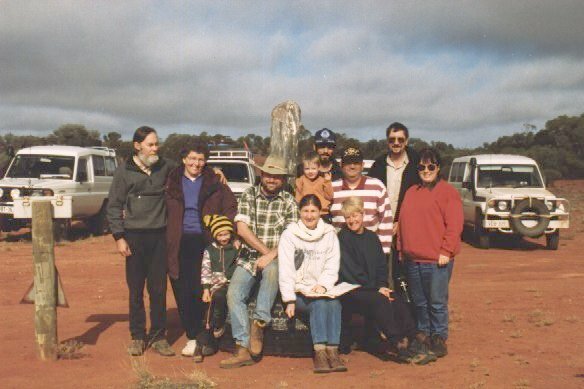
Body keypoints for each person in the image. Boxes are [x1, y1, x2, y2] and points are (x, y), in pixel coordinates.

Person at [221, 155, 299, 368]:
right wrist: (264, 252)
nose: (272, 180)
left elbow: (290, 236)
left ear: (283, 179)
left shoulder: (289, 201)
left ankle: (259, 322)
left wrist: (271, 255)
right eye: (268, 175)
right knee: (234, 294)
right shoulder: (249, 195)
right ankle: (242, 346)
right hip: (250, 256)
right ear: (261, 175)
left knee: (273, 270)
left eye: (277, 176)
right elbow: (242, 229)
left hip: (277, 256)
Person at [107, 126, 176, 356]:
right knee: (136, 289)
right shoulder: (124, 171)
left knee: (158, 289)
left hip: (159, 236)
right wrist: (119, 237)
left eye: (157, 143)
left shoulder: (165, 166)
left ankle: (158, 336)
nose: (156, 148)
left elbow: (191, 170)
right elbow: (114, 206)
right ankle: (137, 336)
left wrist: (215, 171)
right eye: (151, 144)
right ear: (137, 146)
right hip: (134, 237)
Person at [337, 197, 432, 364]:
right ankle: (399, 343)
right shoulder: (342, 239)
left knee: (396, 298)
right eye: (348, 217)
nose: (352, 220)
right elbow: (351, 272)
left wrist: (382, 286)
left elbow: (382, 266)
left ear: (362, 214)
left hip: (374, 288)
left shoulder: (372, 238)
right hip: (352, 290)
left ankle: (414, 337)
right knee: (380, 301)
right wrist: (376, 289)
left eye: (355, 215)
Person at [165, 143, 237, 358]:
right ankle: (192, 335)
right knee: (183, 289)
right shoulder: (171, 181)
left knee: (207, 288)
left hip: (207, 241)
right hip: (179, 241)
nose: (196, 163)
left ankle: (208, 336)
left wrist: (226, 233)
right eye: (192, 158)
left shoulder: (215, 182)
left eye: (201, 159)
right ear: (184, 159)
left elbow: (231, 208)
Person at [399, 148, 463, 359]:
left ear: (438, 168)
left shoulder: (447, 192)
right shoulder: (411, 192)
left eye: (431, 167)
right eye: (422, 167)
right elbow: (403, 223)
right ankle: (423, 335)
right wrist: (401, 247)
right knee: (419, 302)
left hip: (437, 260)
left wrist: (446, 250)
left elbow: (454, 225)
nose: (426, 171)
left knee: (436, 302)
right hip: (413, 259)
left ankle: (439, 338)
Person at [278, 194, 345, 374]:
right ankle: (320, 352)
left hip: (322, 289)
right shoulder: (289, 235)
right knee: (320, 305)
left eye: (313, 211)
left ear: (320, 212)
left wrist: (323, 284)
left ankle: (333, 350)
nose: (309, 216)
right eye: (305, 211)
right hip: (299, 291)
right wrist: (289, 299)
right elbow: (285, 269)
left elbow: (332, 264)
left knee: (334, 304)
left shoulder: (329, 233)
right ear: (300, 212)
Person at [368, 122, 420, 286]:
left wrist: (401, 221)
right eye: (392, 139)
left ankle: (407, 307)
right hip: (381, 225)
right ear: (387, 141)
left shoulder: (416, 164)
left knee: (406, 271)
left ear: (407, 140)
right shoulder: (378, 165)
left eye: (400, 139)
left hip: (407, 225)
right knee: (383, 269)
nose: (396, 143)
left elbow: (419, 198)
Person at [329, 147, 393, 255]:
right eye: (348, 163)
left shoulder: (377, 186)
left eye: (356, 162)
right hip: (341, 251)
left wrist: (383, 251)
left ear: (362, 165)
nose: (352, 166)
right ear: (341, 165)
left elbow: (386, 219)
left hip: (370, 251)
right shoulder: (331, 188)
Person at [194, 215, 239, 363]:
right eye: (220, 235)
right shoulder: (209, 250)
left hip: (232, 284)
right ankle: (204, 341)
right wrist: (206, 289)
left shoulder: (235, 247)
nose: (224, 237)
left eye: (226, 234)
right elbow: (205, 270)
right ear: (214, 235)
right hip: (215, 286)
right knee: (212, 303)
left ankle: (220, 329)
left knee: (224, 299)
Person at [295, 151, 334, 219]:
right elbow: (298, 199)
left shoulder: (323, 181)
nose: (310, 171)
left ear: (319, 168)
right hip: (307, 213)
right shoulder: (300, 181)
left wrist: (327, 182)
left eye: (313, 168)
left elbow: (329, 196)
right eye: (307, 169)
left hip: (322, 213)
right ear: (303, 168)